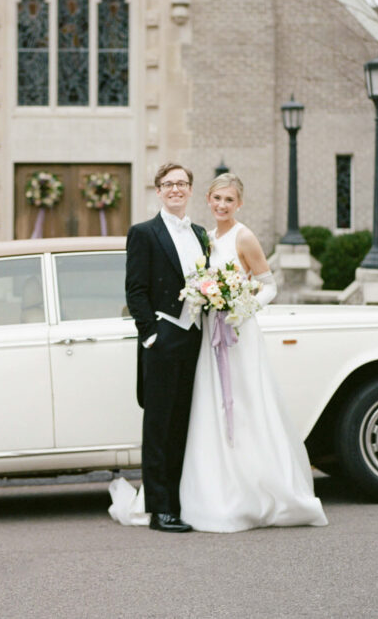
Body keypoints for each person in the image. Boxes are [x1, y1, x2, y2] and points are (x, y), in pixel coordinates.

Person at [178, 172, 327, 532]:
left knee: (246, 404)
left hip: (240, 335)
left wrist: (240, 309)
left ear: (239, 203)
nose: (222, 205)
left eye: (229, 200)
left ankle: (263, 488)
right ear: (208, 201)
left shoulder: (244, 236)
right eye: (217, 199)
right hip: (211, 334)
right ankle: (219, 487)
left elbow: (268, 285)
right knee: (213, 406)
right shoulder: (205, 239)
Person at [123, 162, 209, 533]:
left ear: (190, 190)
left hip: (196, 338)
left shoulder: (201, 233)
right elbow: (135, 290)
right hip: (164, 337)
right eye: (168, 184)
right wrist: (151, 335)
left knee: (184, 425)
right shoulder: (144, 233)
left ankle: (180, 501)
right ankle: (161, 511)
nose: (176, 189)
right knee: (159, 426)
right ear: (158, 190)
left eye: (182, 183)